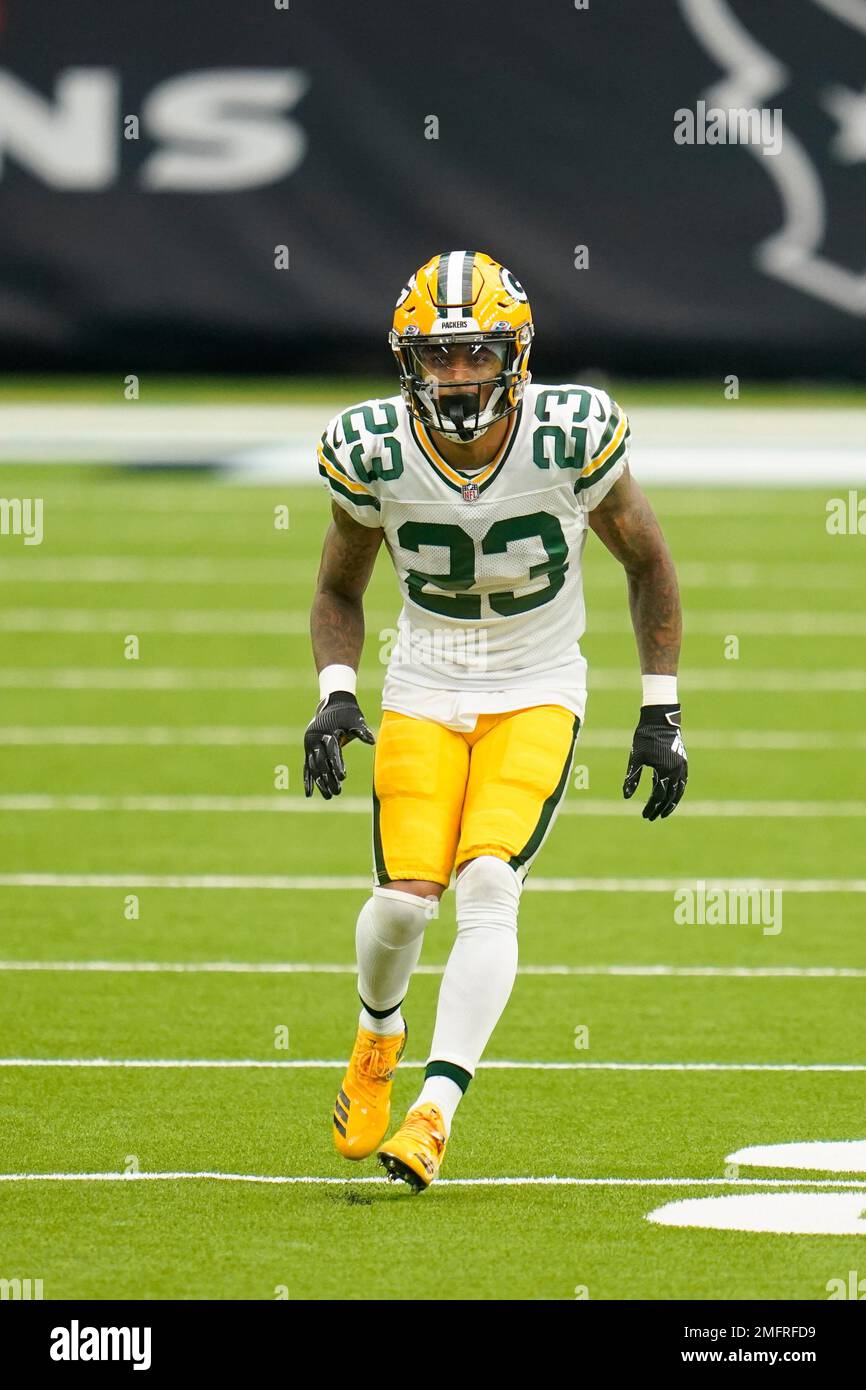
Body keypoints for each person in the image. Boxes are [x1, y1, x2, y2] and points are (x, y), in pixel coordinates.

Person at [304, 251, 687, 1192]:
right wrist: (336, 691)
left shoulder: (569, 435)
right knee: (403, 901)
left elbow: (649, 562)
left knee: (488, 882)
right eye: (439, 358)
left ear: (514, 354)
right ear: (409, 364)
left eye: (476, 354)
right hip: (425, 683)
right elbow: (335, 587)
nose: (459, 376)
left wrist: (660, 709)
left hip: (538, 684)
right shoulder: (374, 450)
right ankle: (378, 1031)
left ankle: (436, 1109)